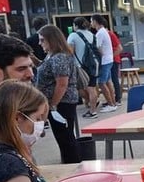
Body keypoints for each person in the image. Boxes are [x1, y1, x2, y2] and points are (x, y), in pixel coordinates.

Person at [36, 25, 81, 163]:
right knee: (63, 137)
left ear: (52, 40)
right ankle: (70, 162)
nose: (40, 43)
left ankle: (72, 165)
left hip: (62, 103)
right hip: (59, 102)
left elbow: (62, 83)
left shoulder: (59, 57)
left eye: (42, 40)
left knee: (65, 137)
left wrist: (53, 105)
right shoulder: (53, 55)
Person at [67, 17, 99, 118]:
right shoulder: (92, 34)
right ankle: (92, 108)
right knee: (92, 88)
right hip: (94, 64)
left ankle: (92, 108)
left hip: (81, 66)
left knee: (79, 88)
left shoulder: (73, 35)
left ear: (75, 25)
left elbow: (70, 52)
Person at [91, 14, 118, 112]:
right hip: (109, 59)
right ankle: (113, 102)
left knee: (102, 83)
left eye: (91, 21)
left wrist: (99, 56)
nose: (91, 23)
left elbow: (97, 47)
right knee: (108, 81)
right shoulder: (105, 31)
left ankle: (111, 104)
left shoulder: (99, 33)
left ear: (95, 21)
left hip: (104, 61)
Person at [109, 28, 124, 106]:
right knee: (112, 80)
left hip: (114, 60)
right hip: (113, 59)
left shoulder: (110, 34)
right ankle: (113, 98)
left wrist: (111, 57)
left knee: (114, 79)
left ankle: (118, 98)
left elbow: (120, 48)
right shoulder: (109, 34)